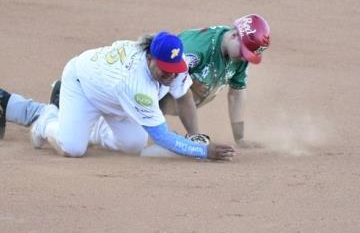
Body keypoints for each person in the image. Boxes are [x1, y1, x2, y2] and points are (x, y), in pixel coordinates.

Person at [0, 31, 234, 160]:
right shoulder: (136, 84)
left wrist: (194, 136)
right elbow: (162, 137)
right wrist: (204, 151)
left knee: (133, 144)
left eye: (174, 70)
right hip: (82, 84)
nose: (170, 76)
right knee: (72, 148)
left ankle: (83, 125)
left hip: (113, 97)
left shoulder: (175, 64)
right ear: (150, 58)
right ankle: (46, 119)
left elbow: (183, 97)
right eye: (165, 70)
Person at [49, 14, 271, 148]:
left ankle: (92, 121)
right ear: (234, 36)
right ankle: (59, 107)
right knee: (81, 146)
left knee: (133, 142)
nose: (244, 58)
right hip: (141, 88)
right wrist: (188, 143)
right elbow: (163, 76)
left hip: (156, 95)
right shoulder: (198, 51)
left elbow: (236, 93)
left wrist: (239, 138)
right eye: (243, 51)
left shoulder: (238, 58)